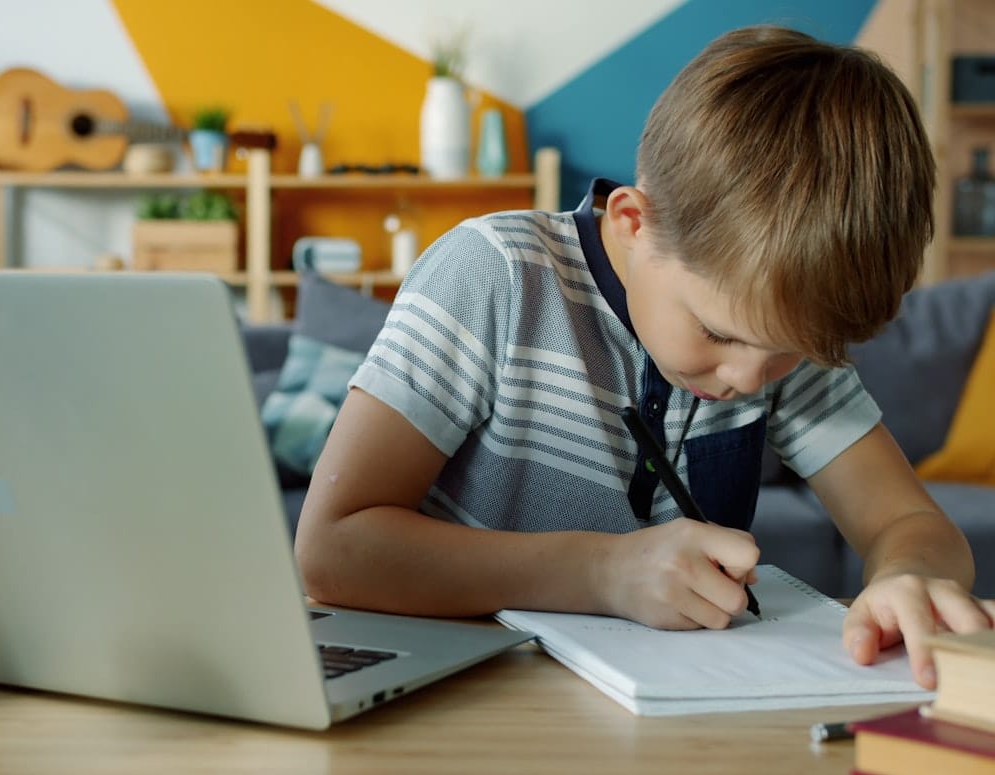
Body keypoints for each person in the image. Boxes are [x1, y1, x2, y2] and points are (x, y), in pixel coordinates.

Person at [294, 25, 995, 690]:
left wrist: (911, 574)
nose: (750, 379)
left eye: (790, 353)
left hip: (670, 720)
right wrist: (600, 572)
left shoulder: (773, 339)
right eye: (719, 334)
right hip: (465, 697)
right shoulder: (495, 277)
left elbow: (911, 526)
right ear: (634, 222)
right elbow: (332, 552)